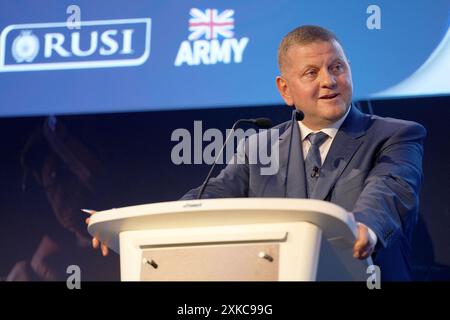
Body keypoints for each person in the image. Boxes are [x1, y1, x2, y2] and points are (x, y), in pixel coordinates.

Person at [90, 25, 426, 281]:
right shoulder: (258, 147)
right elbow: (207, 200)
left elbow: (390, 188)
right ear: (285, 89)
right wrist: (134, 228)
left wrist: (364, 227)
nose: (329, 80)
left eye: (337, 67)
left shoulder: (395, 135)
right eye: (312, 73)